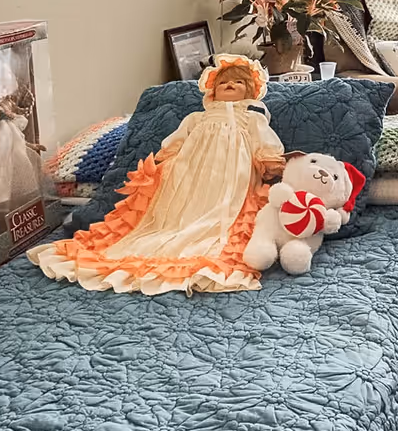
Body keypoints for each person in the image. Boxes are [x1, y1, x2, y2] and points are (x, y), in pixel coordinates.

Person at [31, 55, 285, 294]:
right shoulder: (197, 117)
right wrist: (168, 156)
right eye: (224, 82)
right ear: (212, 91)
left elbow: (264, 141)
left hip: (231, 172)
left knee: (222, 207)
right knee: (177, 201)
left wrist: (269, 160)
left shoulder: (252, 118)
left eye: (238, 82)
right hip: (190, 168)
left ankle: (206, 238)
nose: (230, 84)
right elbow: (177, 140)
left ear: (250, 90)